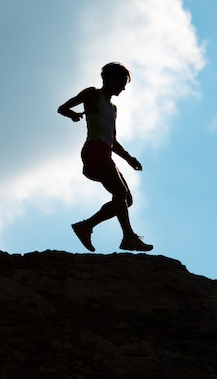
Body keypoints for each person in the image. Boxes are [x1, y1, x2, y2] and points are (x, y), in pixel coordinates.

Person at [57, 62, 153, 252]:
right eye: (121, 82)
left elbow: (112, 140)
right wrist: (73, 114)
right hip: (94, 150)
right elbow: (62, 108)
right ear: (109, 79)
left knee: (126, 199)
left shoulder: (113, 108)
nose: (123, 87)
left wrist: (129, 158)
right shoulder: (92, 94)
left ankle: (86, 226)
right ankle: (128, 237)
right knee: (120, 193)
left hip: (105, 153)